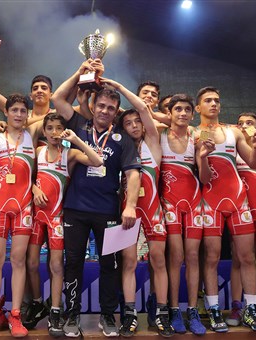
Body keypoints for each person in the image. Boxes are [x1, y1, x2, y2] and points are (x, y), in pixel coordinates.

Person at [52, 60, 141, 338]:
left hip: (108, 211)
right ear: (94, 104)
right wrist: (80, 71)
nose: (104, 111)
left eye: (110, 108)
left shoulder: (122, 138)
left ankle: (107, 315)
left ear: (115, 113)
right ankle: (72, 315)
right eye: (101, 106)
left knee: (109, 265)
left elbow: (133, 174)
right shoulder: (78, 123)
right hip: (75, 209)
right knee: (74, 263)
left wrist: (130, 206)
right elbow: (57, 98)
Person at [195, 86, 256, 333]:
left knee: (247, 257)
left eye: (217, 100)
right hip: (210, 202)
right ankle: (214, 310)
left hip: (238, 200)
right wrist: (203, 156)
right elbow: (204, 179)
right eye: (208, 100)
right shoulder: (194, 133)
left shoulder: (233, 131)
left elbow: (254, 163)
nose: (214, 104)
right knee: (212, 257)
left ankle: (250, 310)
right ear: (199, 108)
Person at [27, 112, 102, 336]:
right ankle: (39, 302)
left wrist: (76, 140)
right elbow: (27, 178)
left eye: (59, 128)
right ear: (43, 130)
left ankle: (56, 311)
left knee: (57, 265)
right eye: (49, 128)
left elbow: (97, 161)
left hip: (57, 217)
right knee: (31, 264)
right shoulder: (38, 151)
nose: (54, 133)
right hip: (35, 216)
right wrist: (34, 189)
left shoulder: (69, 153)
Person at [0, 94, 43, 338]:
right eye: (13, 110)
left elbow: (57, 113)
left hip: (24, 206)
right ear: (6, 112)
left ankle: (15, 315)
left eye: (23, 111)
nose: (18, 114)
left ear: (28, 114)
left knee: (18, 260)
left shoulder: (32, 134)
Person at [110, 79, 173, 338]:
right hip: (127, 212)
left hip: (153, 211)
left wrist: (120, 88)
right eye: (128, 123)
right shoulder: (121, 150)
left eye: (137, 122)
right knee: (129, 263)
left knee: (158, 261)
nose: (135, 126)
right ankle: (129, 314)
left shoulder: (153, 143)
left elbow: (145, 113)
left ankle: (161, 313)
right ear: (122, 128)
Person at [159, 94, 207, 335]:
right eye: (177, 109)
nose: (182, 113)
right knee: (175, 256)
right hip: (169, 203)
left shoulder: (196, 136)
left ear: (192, 113)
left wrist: (204, 155)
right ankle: (174, 308)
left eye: (187, 109)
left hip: (193, 201)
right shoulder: (159, 133)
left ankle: (193, 310)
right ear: (169, 112)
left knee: (193, 256)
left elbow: (206, 174)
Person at [226, 112, 256, 327]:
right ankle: (238, 307)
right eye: (240, 123)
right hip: (239, 210)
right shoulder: (230, 152)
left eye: (249, 123)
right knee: (238, 259)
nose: (244, 126)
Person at [0, 37, 54, 123]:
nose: (39, 90)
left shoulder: (58, 115)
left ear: (51, 95)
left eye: (44, 88)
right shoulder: (19, 113)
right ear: (31, 96)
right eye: (35, 88)